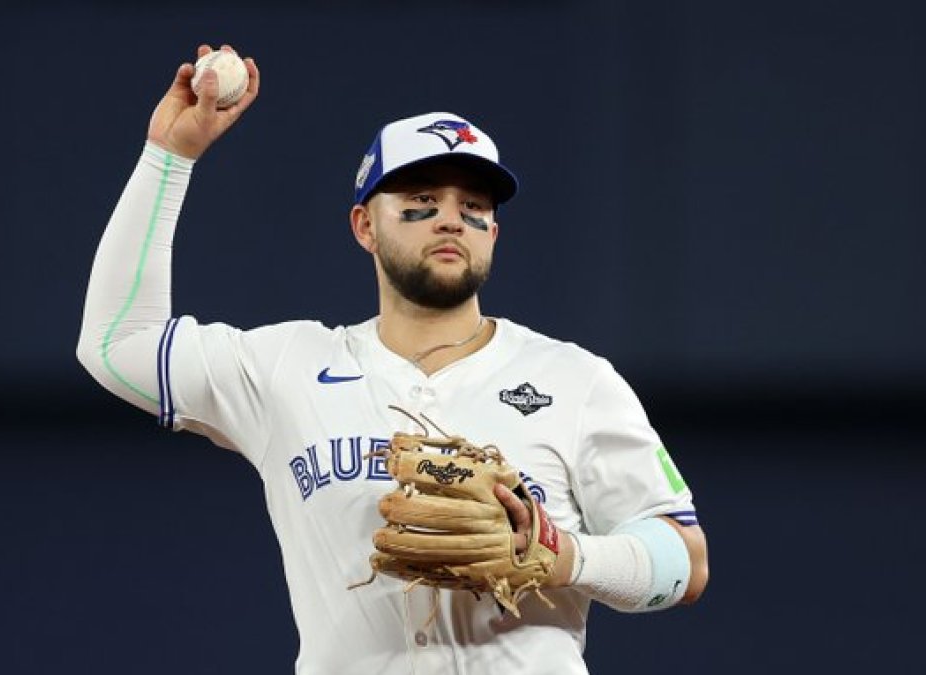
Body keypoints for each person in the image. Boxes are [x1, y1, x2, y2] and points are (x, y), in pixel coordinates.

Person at [77, 43, 709, 675]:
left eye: (474, 207)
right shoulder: (288, 368)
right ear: (364, 226)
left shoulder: (574, 380)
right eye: (422, 199)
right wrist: (169, 158)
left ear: (493, 233)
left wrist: (561, 553)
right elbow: (116, 344)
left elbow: (685, 561)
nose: (451, 219)